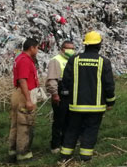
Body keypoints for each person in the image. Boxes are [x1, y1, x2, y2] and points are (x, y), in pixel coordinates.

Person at [59, 31, 116, 162]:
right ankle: (85, 157)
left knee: (72, 129)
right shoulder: (104, 62)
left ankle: (65, 156)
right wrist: (110, 102)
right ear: (99, 45)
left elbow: (65, 81)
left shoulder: (74, 59)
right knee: (91, 130)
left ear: (85, 44)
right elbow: (109, 85)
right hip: (96, 107)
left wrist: (65, 97)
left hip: (76, 106)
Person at [8, 38, 39, 163]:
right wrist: (28, 100)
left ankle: (13, 152)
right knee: (25, 125)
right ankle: (23, 155)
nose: (37, 51)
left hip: (18, 93)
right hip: (24, 95)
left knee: (16, 124)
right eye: (37, 48)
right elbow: (22, 80)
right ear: (31, 48)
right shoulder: (25, 60)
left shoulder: (19, 58)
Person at [45, 40, 76, 153]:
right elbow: (52, 79)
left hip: (71, 94)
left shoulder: (73, 60)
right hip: (60, 93)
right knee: (59, 120)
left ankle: (65, 143)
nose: (71, 51)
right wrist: (54, 94)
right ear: (62, 49)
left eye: (73, 48)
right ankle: (55, 145)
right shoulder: (56, 61)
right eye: (68, 48)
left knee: (69, 120)